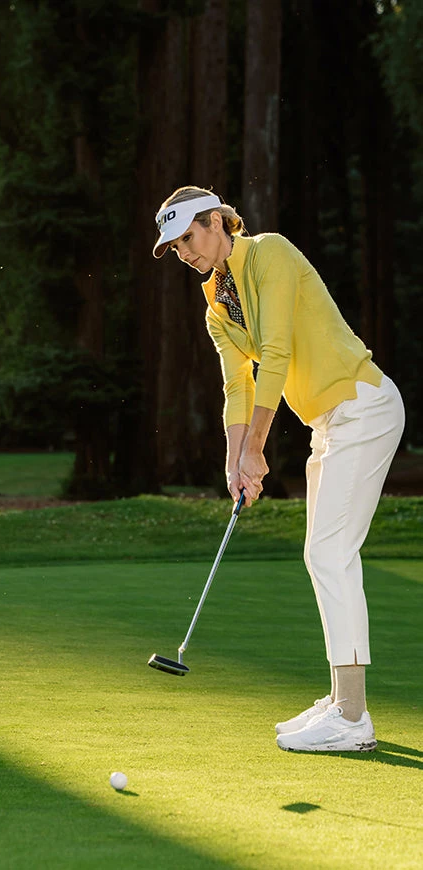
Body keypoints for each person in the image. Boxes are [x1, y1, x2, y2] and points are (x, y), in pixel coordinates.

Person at [152, 186, 405, 752]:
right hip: (329, 424)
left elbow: (277, 352)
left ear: (217, 222)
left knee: (329, 554)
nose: (184, 253)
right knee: (323, 555)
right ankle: (341, 699)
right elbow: (237, 385)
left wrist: (257, 448)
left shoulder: (271, 253)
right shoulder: (216, 305)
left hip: (363, 406)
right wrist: (234, 459)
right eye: (175, 247)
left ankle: (352, 716)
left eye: (188, 238)